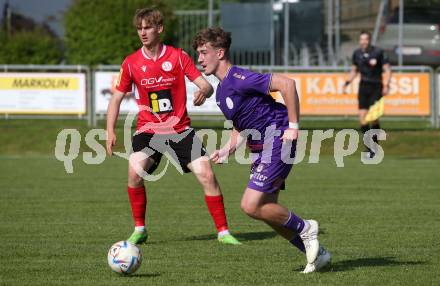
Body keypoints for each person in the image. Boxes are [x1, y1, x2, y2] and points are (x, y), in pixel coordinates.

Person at [192, 27, 331, 273]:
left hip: (278, 140)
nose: (199, 59)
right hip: (261, 148)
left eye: (204, 52)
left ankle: (306, 228)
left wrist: (294, 126)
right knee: (268, 211)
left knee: (250, 205)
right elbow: (242, 125)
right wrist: (227, 149)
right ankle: (317, 254)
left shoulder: (239, 77)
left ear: (221, 52)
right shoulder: (222, 91)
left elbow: (287, 84)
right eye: (198, 54)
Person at [106, 8, 240, 245]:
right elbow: (116, 98)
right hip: (148, 130)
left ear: (159, 29)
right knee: (134, 171)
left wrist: (204, 91)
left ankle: (223, 232)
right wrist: (109, 131)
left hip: (180, 130)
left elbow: (205, 85)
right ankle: (139, 228)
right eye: (139, 28)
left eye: (148, 27)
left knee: (207, 174)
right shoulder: (131, 63)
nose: (143, 32)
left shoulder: (178, 57)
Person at [345, 30, 392, 158]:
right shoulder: (357, 53)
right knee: (362, 119)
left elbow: (387, 70)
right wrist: (347, 82)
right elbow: (354, 70)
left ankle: (374, 149)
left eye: (365, 39)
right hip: (363, 87)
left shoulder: (378, 52)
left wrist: (387, 85)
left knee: (373, 118)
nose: (363, 42)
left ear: (370, 40)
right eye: (361, 39)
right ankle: (370, 147)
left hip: (376, 86)